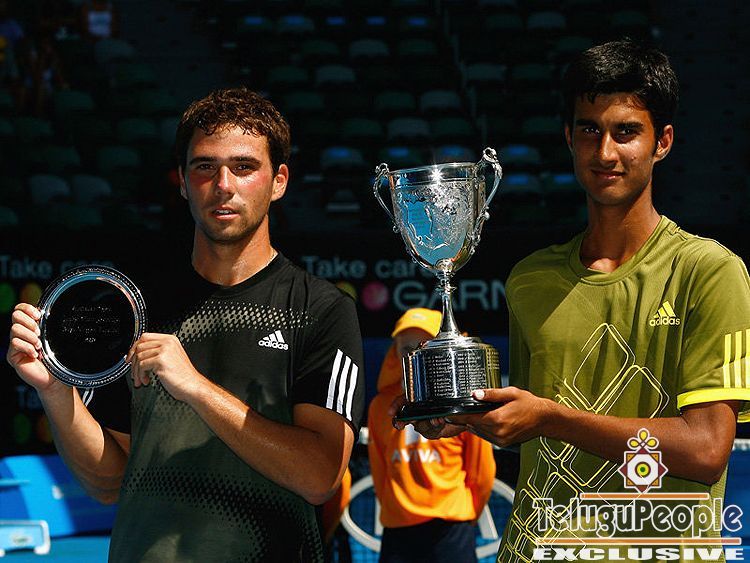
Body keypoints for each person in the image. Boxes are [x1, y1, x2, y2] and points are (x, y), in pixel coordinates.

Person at [400, 40, 750, 562]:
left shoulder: (711, 271)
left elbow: (705, 450)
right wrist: (463, 416)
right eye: (589, 130)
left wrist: (548, 418)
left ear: (663, 142)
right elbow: (528, 430)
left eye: (626, 132)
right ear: (569, 137)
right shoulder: (529, 279)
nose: (605, 152)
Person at [7, 87, 365, 562]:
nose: (223, 185)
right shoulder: (135, 307)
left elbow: (320, 476)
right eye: (204, 167)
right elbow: (109, 482)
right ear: (182, 182)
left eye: (244, 166)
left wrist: (195, 387)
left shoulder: (319, 309)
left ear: (279, 181)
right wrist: (55, 390)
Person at [370, 308, 496, 563]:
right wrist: (395, 507)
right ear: (394, 353)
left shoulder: (461, 402)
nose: (415, 355)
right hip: (398, 529)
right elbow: (379, 466)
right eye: (407, 348)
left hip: (451, 526)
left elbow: (481, 469)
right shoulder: (380, 406)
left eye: (424, 346)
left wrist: (466, 512)